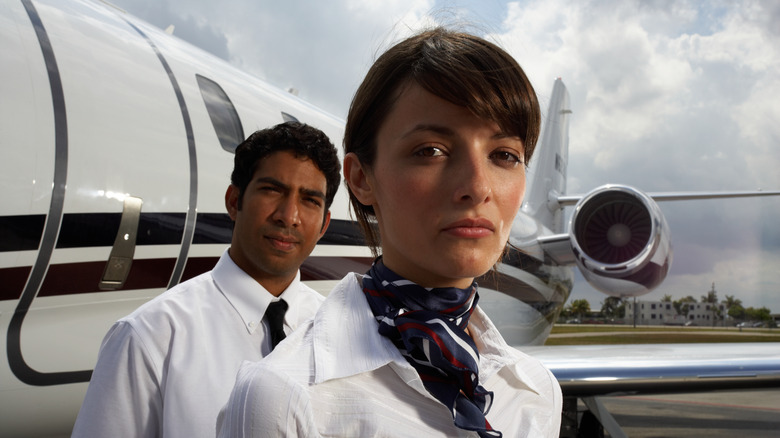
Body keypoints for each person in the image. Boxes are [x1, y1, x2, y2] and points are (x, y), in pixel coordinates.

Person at [218, 28, 562, 437]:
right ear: (361, 178)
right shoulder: (282, 396)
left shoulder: (537, 392)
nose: (479, 186)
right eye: (430, 151)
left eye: (505, 155)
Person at [71, 122, 341, 437]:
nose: (288, 215)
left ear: (324, 225)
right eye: (272, 190)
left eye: (310, 200)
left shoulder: (337, 333)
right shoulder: (150, 336)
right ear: (233, 201)